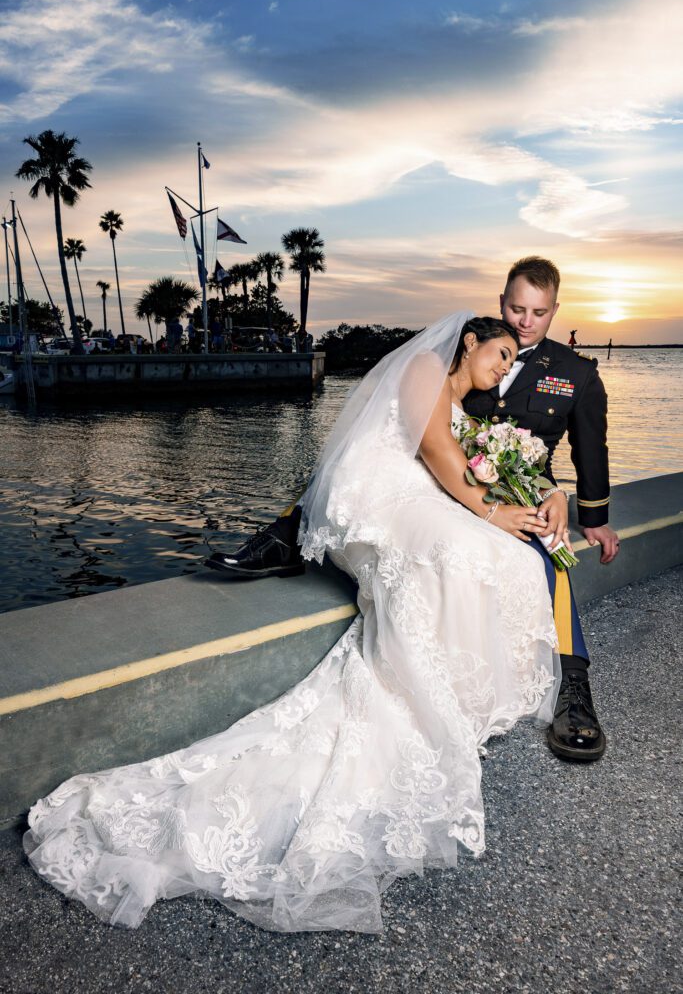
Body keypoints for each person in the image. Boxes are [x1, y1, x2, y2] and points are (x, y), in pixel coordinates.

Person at [24, 313, 561, 934]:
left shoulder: (467, 404)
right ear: (469, 342)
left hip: (416, 497)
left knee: (502, 555)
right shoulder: (424, 368)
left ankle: (460, 685)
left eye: (510, 360)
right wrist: (491, 511)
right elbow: (437, 452)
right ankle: (425, 684)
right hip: (374, 499)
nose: (504, 367)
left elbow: (464, 464)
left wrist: (541, 496)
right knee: (467, 547)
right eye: (500, 353)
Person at [207, 257, 619, 763]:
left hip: (505, 486)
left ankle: (574, 687)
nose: (524, 321)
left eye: (537, 312)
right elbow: (421, 438)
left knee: (546, 543)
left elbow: (584, 449)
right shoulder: (457, 355)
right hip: (442, 481)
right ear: (500, 305)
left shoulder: (575, 371)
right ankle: (286, 533)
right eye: (515, 308)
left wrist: (582, 511)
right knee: (366, 472)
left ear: (555, 310)